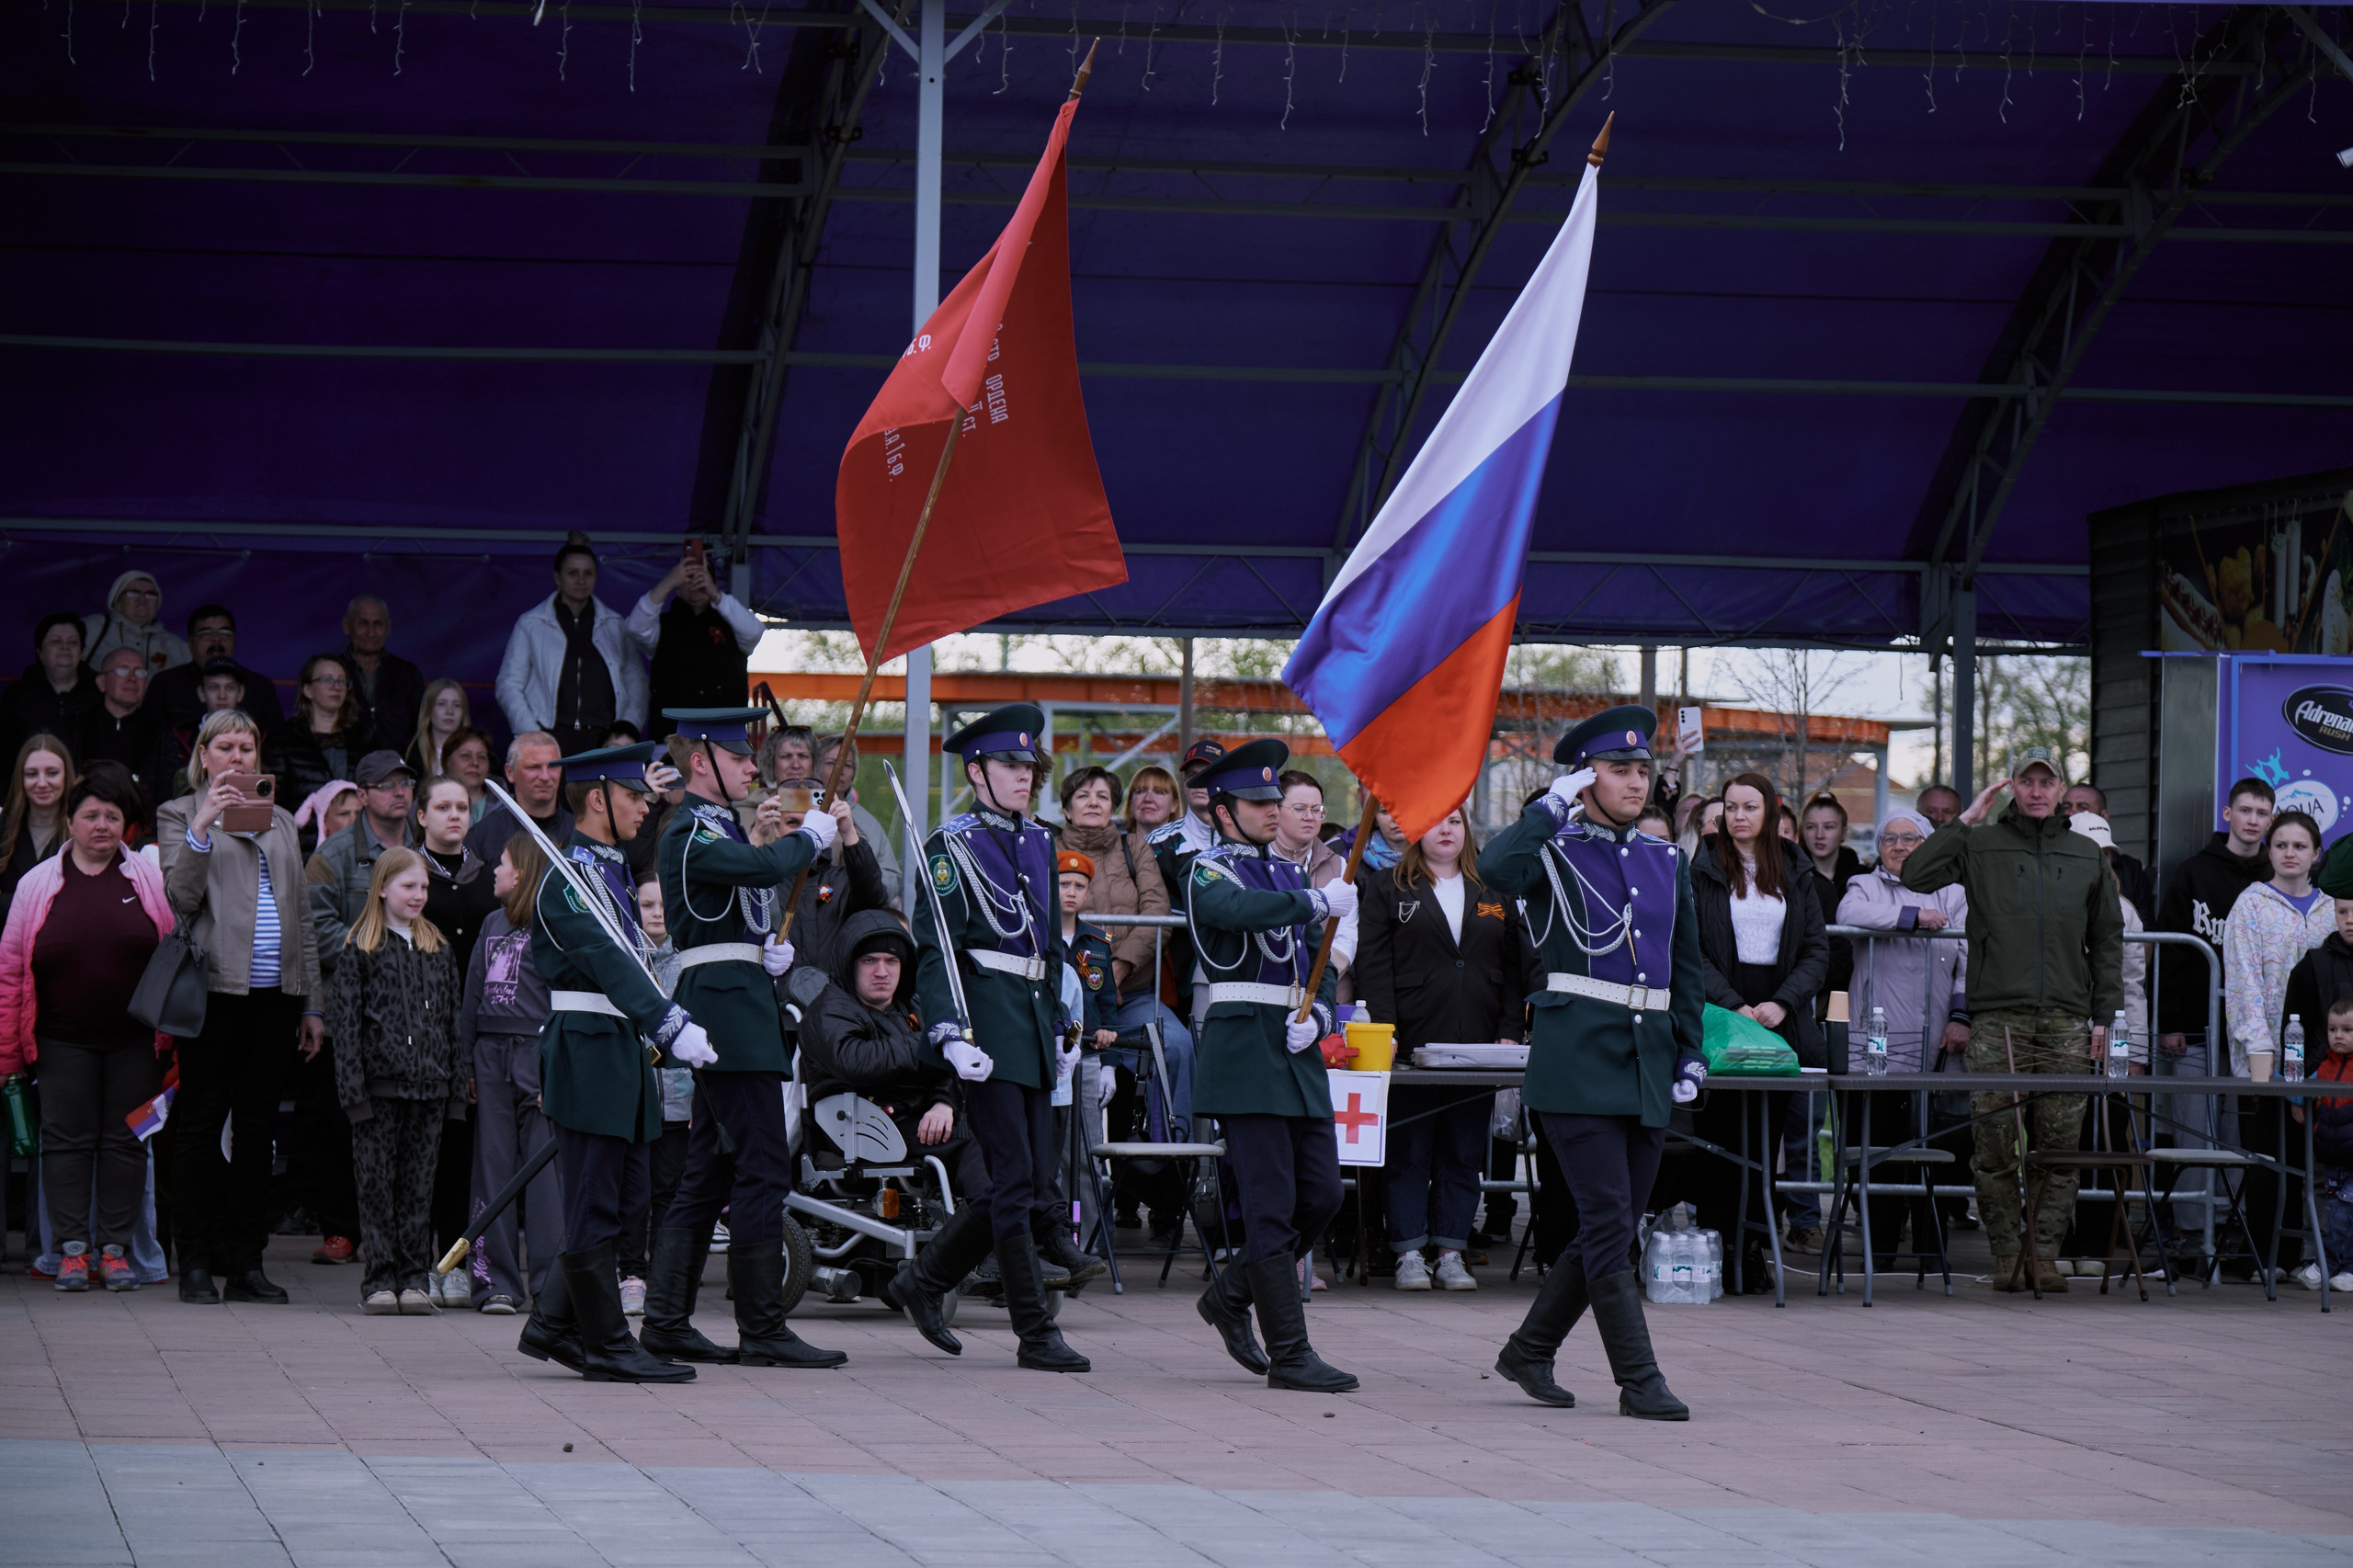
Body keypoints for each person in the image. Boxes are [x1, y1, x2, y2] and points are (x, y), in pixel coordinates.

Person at [1479, 707, 1699, 1420]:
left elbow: (1685, 970)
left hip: (1646, 1060)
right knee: (1608, 1220)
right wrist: (1549, 808)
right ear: (1584, 778)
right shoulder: (1553, 850)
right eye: (1619, 770)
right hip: (1576, 1061)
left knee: (1612, 1224)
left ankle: (1529, 1350)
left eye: (1643, 770)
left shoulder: (1667, 861)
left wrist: (1689, 1051)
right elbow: (1492, 869)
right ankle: (1639, 1379)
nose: (1638, 781)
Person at [640, 707, 844, 1371]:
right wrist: (809, 838)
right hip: (725, 1010)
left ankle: (668, 1319)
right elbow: (756, 872)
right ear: (702, 761)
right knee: (760, 1164)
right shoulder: (689, 830)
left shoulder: (719, 825)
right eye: (739, 757)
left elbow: (743, 899)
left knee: (711, 1170)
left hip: (743, 998)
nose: (754, 767)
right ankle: (761, 1324)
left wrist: (765, 951)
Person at [509, 742, 705, 1383]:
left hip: (618, 1046)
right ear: (598, 799)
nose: (644, 810)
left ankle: (554, 1326)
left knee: (627, 1198)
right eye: (631, 798)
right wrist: (669, 1021)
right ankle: (607, 1345)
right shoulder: (567, 881)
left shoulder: (610, 868)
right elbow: (608, 958)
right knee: (595, 1202)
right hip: (588, 1044)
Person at [1901, 745, 2123, 1293]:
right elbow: (1914, 874)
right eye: (2028, 781)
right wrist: (1967, 820)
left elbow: (2107, 942)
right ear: (2014, 787)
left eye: (2047, 783)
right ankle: (2006, 1255)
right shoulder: (1981, 843)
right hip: (1997, 1017)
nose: (2038, 791)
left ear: (2061, 790)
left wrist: (2104, 1018)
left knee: (2059, 1149)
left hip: (2068, 1022)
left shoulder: (2086, 854)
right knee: (1995, 1146)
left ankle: (2042, 1255)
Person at [910, 703, 1092, 1374]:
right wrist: (951, 1033)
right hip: (985, 1023)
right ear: (976, 770)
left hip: (1033, 1025)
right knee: (1015, 1179)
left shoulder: (1041, 842)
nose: (1026, 776)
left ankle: (924, 1281)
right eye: (1012, 765)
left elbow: (1048, 947)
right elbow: (937, 949)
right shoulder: (951, 845)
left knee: (1024, 1180)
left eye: (1030, 766)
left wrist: (1062, 1023)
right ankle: (1034, 1332)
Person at [1181, 738, 1356, 1390]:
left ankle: (1230, 1295)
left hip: (1293, 1048)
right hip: (1246, 1051)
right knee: (1272, 1206)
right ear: (1223, 811)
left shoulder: (1288, 873)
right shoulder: (1208, 869)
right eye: (1257, 801)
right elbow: (1234, 913)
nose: (1270, 809)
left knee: (1323, 1194)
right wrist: (1315, 902)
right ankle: (1290, 1353)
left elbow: (1317, 964)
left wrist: (1322, 1016)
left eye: (1271, 799)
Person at [158, 710, 325, 1305]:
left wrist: (312, 1003)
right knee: (201, 1127)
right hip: (213, 994)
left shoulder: (280, 819)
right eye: (224, 747)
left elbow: (300, 914)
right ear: (203, 755)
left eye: (246, 747)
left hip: (272, 997)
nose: (237, 757)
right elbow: (181, 898)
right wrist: (204, 825)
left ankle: (247, 1263)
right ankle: (196, 1263)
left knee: (257, 1131)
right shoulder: (179, 814)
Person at [0, 768, 171, 1292]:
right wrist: (8, 1054)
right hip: (58, 1042)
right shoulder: (36, 884)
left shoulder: (149, 879)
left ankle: (116, 1253)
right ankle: (72, 1252)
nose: (102, 826)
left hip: (136, 1042)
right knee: (66, 1144)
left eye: (112, 817)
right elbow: (9, 971)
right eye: (91, 816)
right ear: (70, 822)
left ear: (127, 825)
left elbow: (173, 958)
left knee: (127, 1143)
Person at [1355, 804, 1533, 1292]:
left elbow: (1514, 969)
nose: (1445, 830)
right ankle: (1409, 1252)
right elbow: (1373, 965)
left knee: (1463, 1149)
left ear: (1467, 830)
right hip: (1411, 1040)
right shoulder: (1387, 886)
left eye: (1455, 821)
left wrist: (1508, 1031)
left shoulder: (1495, 887)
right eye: (1434, 820)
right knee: (1409, 1148)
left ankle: (1452, 1251)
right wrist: (1385, 1031)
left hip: (1479, 1042)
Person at [800, 909, 992, 1355]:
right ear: (850, 964)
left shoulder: (911, 1008)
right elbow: (858, 1063)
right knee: (987, 1168)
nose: (882, 971)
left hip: (917, 1123)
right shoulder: (830, 1008)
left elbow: (952, 1068)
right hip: (863, 1130)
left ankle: (1028, 1235)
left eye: (891, 961)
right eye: (869, 961)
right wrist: (931, 1045)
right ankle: (967, 1253)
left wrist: (944, 1098)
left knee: (1001, 1147)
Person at [1688, 771, 1829, 1273]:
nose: (1739, 816)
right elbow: (1691, 949)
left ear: (1770, 811)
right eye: (1730, 807)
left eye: (1749, 807)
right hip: (1722, 1015)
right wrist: (1732, 1003)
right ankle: (1716, 1252)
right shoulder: (1703, 866)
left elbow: (1817, 950)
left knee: (1764, 1141)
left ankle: (1750, 1252)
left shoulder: (1794, 868)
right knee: (1719, 1137)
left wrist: (1784, 1003)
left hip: (1777, 1016)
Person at [324, 848, 464, 1314]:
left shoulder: (438, 949)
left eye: (423, 887)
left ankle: (413, 1277)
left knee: (418, 1190)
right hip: (377, 1092)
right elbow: (344, 1029)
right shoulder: (359, 948)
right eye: (409, 886)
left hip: (430, 1090)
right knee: (376, 1186)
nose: (419, 895)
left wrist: (455, 1091)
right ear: (382, 888)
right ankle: (379, 1279)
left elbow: (451, 1025)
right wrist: (353, 1095)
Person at [1837, 807, 1972, 1267]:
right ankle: (1882, 1251)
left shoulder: (1954, 891)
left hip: (1936, 1038)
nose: (1898, 846)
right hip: (1878, 1043)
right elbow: (1849, 913)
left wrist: (1962, 1015)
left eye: (1911, 838)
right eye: (1890, 838)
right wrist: (1912, 916)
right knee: (1878, 1148)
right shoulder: (1865, 886)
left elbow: (1968, 959)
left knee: (1930, 1146)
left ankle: (1932, 1250)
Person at [2222, 808, 2331, 1279]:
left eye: (2300, 846)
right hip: (2264, 1051)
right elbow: (2243, 980)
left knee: (2315, 1156)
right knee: (2268, 1155)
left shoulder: (2333, 909)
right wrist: (2258, 1047)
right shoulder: (2251, 904)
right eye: (2281, 845)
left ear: (2316, 854)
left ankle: (2308, 1254)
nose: (2290, 853)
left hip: (2322, 1057)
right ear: (2269, 851)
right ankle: (2264, 1256)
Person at [1059, 765, 1191, 1150]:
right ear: (1066, 809)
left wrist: (1118, 968)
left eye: (1102, 796)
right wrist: (1091, 977)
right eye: (1083, 796)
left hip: (1130, 993)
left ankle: (1172, 1159)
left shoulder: (1135, 847)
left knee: (1178, 1047)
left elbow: (1158, 916)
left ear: (1115, 806)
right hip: (1062, 1002)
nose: (1093, 803)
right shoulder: (1047, 848)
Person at [459, 832, 563, 1315]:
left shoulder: (555, 924)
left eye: (501, 863)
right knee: (492, 1167)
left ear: (521, 872)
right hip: (491, 1053)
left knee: (542, 1174)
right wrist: (467, 1063)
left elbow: (565, 1005)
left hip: (538, 1054)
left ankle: (549, 1283)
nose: (494, 872)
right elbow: (471, 999)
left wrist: (558, 1070)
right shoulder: (490, 922)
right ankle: (493, 1282)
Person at [414, 773, 498, 1300]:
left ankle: (459, 1261)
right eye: (442, 807)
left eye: (462, 807)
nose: (453, 816)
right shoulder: (404, 873)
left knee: (467, 1153)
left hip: (476, 1030)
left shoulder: (489, 877)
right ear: (420, 816)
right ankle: (416, 1264)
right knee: (424, 1150)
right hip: (420, 1030)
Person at [615, 871, 695, 1315]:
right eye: (647, 905)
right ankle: (632, 1274)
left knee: (669, 1189)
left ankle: (663, 1274)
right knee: (634, 1192)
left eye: (664, 904)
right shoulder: (624, 957)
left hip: (679, 1097)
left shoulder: (687, 960)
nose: (657, 912)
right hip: (635, 1096)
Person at [2155, 777, 2276, 1072]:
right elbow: (2170, 952)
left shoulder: (2276, 877)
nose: (2252, 820)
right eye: (2244, 810)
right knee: (2192, 1117)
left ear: (2272, 820)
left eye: (2261, 814)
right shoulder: (2192, 873)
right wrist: (2169, 1024)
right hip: (2195, 1028)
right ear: (2227, 813)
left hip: (2257, 1030)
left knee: (2244, 1117)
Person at [495, 533, 648, 755]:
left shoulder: (615, 624)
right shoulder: (531, 623)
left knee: (605, 791)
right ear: (557, 577)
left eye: (588, 573)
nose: (581, 580)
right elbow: (508, 685)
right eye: (572, 573)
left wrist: (626, 729)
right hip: (551, 737)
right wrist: (533, 733)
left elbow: (636, 683)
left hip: (605, 738)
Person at [627, 548, 764, 741]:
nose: (695, 583)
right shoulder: (661, 625)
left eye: (702, 577)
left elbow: (755, 631)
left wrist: (715, 594)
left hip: (725, 738)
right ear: (677, 585)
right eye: (688, 577)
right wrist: (668, 581)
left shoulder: (733, 623)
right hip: (672, 738)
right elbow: (635, 628)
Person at [771, 775, 890, 983]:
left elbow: (875, 903)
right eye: (792, 823)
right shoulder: (764, 881)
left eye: (811, 823)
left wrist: (849, 833)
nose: (803, 832)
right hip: (777, 1005)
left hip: (833, 1005)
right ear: (776, 830)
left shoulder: (841, 880)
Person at [309, 753, 419, 964]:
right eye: (386, 785)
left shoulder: (425, 845)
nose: (399, 792)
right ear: (362, 796)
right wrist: (379, 952)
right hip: (357, 988)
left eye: (406, 783)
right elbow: (317, 931)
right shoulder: (331, 856)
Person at [265, 655, 369, 837]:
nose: (336, 686)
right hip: (302, 850)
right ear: (307, 690)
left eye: (342, 681)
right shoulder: (283, 740)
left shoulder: (363, 738)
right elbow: (272, 806)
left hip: (356, 846)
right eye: (326, 679)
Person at [139, 606, 281, 733]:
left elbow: (275, 747)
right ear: (191, 644)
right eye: (206, 634)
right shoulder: (165, 684)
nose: (216, 640)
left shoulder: (260, 688)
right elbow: (148, 741)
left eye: (225, 632)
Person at [76, 646, 176, 829]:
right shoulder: (78, 726)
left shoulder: (159, 731)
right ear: (101, 682)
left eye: (140, 672)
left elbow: (165, 793)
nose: (132, 678)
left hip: (143, 832)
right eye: (122, 670)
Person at [2300, 996, 2353, 1293]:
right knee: (2334, 1213)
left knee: (2345, 1214)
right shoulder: (2324, 1066)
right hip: (2331, 1155)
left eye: (2347, 1030)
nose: (2339, 1036)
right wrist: (2299, 1103)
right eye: (2333, 1030)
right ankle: (2335, 1266)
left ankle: (2332, 1265)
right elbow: (2306, 1093)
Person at [1, 612, 98, 767]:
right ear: (40, 652)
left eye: (73, 642)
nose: (65, 647)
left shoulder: (99, 693)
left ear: (81, 651)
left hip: (86, 789)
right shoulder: (17, 695)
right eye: (55, 641)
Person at [461, 732, 572, 867]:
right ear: (510, 772)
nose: (545, 776)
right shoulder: (482, 836)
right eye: (534, 767)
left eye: (553, 766)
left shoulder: (580, 832)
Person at [333, 596, 426, 755]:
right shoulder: (330, 672)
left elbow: (420, 730)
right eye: (363, 623)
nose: (371, 632)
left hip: (398, 770)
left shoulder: (408, 674)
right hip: (343, 769)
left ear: (388, 628)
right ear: (346, 626)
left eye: (378, 624)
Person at [815, 733, 901, 902]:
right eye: (831, 763)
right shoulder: (795, 811)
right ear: (815, 766)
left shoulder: (867, 822)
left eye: (847, 765)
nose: (839, 770)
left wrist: (869, 891)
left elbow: (891, 878)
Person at [0, 736, 76, 914]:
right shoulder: (3, 828)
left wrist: (9, 901)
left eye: (52, 773)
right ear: (21, 778)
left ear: (66, 776)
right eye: (32, 774)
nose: (42, 783)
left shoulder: (82, 830)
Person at [1800, 791, 1863, 1004]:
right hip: (1807, 984)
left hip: (1855, 982)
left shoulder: (1863, 878)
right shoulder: (1791, 876)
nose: (1819, 835)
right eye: (1811, 827)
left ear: (1843, 832)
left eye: (1829, 827)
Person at [2061, 782, 2154, 915]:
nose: (2071, 813)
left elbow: (2145, 929)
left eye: (2083, 807)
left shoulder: (2132, 871)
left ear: (2104, 816)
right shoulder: (2048, 860)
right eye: (2066, 807)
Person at [81, 570, 188, 676]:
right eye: (133, 593)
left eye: (150, 594)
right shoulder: (93, 628)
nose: (142, 599)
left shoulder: (175, 646)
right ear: (117, 601)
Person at [406, 679, 472, 781]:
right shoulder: (411, 756)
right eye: (441, 704)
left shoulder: (480, 754)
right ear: (428, 709)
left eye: (457, 705)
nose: (449, 711)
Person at [443, 726, 495, 820]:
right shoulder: (428, 802)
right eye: (466, 755)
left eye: (481, 757)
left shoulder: (508, 807)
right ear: (447, 763)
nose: (475, 763)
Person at [291, 782, 360, 849]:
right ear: (325, 820)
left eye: (359, 813)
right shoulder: (304, 857)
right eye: (344, 814)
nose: (354, 820)